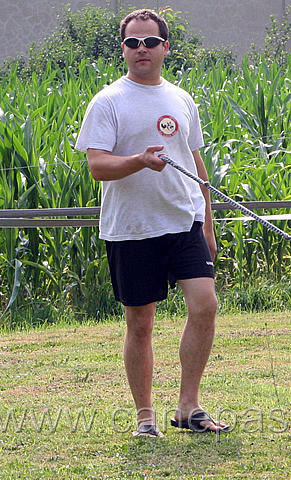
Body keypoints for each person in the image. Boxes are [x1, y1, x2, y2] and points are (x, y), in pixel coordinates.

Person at [75, 9, 228, 437]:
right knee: (140, 324)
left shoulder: (181, 99)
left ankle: (189, 407)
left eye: (149, 42)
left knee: (205, 306)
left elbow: (196, 162)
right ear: (123, 49)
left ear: (165, 47)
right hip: (132, 229)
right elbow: (98, 166)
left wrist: (207, 224)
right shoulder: (108, 100)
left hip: (184, 223)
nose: (141, 49)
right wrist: (138, 161)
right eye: (132, 43)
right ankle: (145, 417)